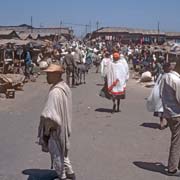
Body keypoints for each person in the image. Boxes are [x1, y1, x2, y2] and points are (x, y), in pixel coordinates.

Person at [37, 64, 75, 180]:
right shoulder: (64, 87)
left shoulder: (55, 92)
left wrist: (47, 133)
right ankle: (71, 173)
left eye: (49, 75)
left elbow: (49, 117)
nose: (47, 77)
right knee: (63, 152)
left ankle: (62, 176)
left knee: (57, 155)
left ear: (56, 75)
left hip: (55, 129)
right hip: (65, 125)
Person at [160, 61, 180, 176]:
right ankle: (172, 168)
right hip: (176, 113)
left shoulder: (164, 77)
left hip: (168, 112)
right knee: (176, 140)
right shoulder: (176, 80)